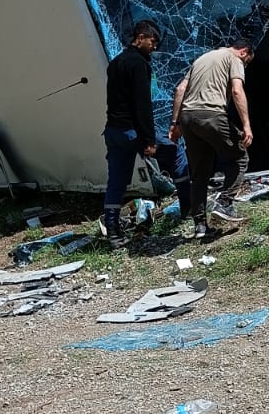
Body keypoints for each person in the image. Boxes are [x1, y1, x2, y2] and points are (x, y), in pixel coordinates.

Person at [169, 39, 254, 238]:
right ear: (243, 52)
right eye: (248, 61)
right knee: (240, 158)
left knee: (199, 172)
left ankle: (200, 226)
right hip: (211, 114)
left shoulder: (202, 59)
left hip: (188, 118)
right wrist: (246, 125)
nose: (246, 66)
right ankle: (224, 204)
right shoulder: (234, 59)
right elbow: (236, 90)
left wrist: (175, 124)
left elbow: (180, 90)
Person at [102, 19, 161, 249]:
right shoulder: (138, 64)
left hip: (112, 131)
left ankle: (113, 230)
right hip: (131, 132)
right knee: (176, 156)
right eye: (152, 41)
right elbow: (142, 105)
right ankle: (191, 211)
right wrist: (149, 140)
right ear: (140, 38)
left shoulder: (115, 63)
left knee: (116, 181)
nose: (154, 46)